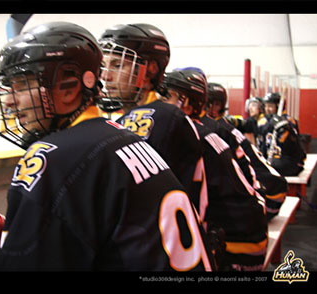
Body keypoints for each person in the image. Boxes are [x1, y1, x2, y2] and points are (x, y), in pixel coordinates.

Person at [0, 22, 214, 271]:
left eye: (21, 85)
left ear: (69, 87)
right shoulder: (121, 136)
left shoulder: (53, 157)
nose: (9, 101)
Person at [98, 24, 219, 267]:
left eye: (118, 65)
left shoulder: (157, 117)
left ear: (150, 69)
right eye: (104, 66)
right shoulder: (159, 115)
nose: (105, 76)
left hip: (165, 252)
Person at [161, 68, 268, 271]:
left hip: (239, 245)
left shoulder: (194, 135)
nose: (161, 101)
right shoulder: (209, 128)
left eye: (167, 96)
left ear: (184, 101)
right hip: (252, 223)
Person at [207, 83, 287, 220]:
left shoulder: (217, 130)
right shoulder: (223, 126)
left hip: (268, 197)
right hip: (274, 187)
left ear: (216, 106)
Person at [262, 92, 306, 176]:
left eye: (270, 106)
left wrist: (284, 127)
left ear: (278, 107)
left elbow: (293, 139)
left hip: (288, 161)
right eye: (266, 106)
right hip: (272, 160)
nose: (267, 109)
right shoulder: (265, 122)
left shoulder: (289, 120)